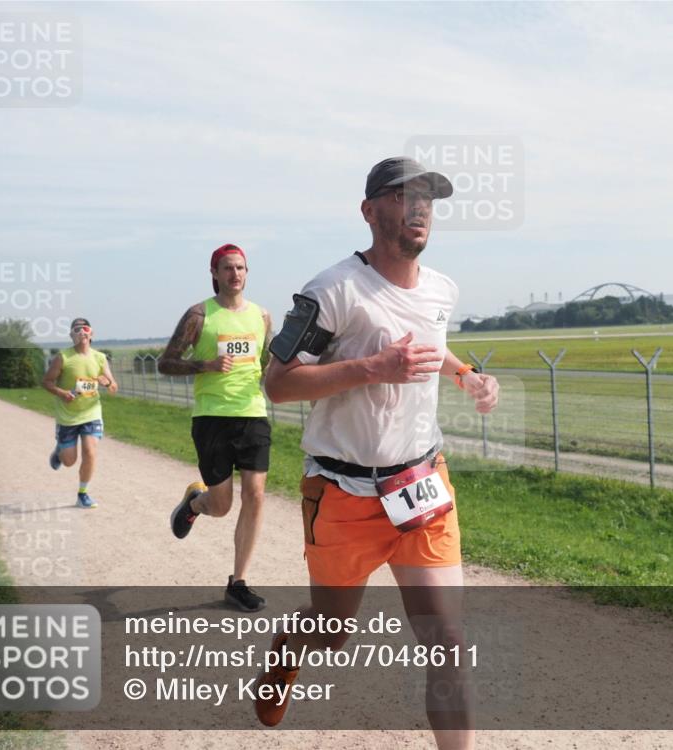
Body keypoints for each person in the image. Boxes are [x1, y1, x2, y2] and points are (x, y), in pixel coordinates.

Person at [258, 157, 500, 749]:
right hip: (343, 493)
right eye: (401, 196)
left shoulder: (443, 288)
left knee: (446, 638)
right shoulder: (332, 290)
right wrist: (372, 368)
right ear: (369, 211)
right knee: (333, 631)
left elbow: (431, 346)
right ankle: (291, 648)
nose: (418, 208)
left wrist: (467, 373)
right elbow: (278, 382)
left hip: (421, 484)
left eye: (428, 199)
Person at [158, 244, 273, 613]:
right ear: (215, 273)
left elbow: (268, 363)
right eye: (227, 268)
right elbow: (165, 363)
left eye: (240, 268)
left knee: (255, 494)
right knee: (221, 506)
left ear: (247, 272)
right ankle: (195, 502)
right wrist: (204, 365)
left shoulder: (263, 317)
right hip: (211, 419)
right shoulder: (199, 315)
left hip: (253, 414)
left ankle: (238, 582)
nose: (235, 274)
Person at [41, 317, 118, 508]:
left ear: (91, 333)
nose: (81, 332)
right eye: (76, 330)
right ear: (71, 335)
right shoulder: (63, 357)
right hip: (67, 416)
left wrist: (106, 382)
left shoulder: (100, 358)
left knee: (90, 452)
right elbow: (47, 382)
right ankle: (59, 453)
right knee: (69, 461)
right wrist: (62, 393)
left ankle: (82, 494)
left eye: (85, 328)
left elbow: (114, 386)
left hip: (91, 413)